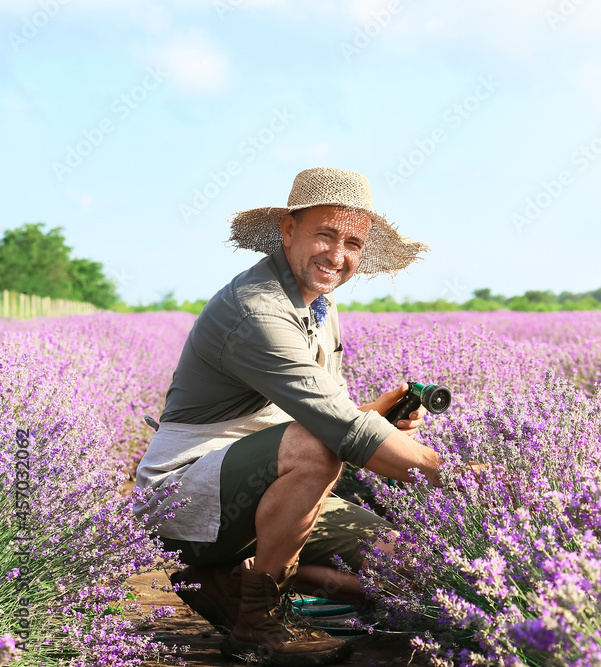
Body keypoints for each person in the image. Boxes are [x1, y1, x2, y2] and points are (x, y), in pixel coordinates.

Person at [133, 167, 444, 665]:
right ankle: (255, 627)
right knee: (320, 446)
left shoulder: (319, 304)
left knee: (407, 566)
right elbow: (332, 432)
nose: (337, 256)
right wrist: (465, 482)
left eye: (353, 243)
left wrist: (378, 419)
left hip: (274, 484)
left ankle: (232, 581)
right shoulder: (256, 310)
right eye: (325, 234)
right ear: (288, 230)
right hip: (186, 493)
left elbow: (331, 414)